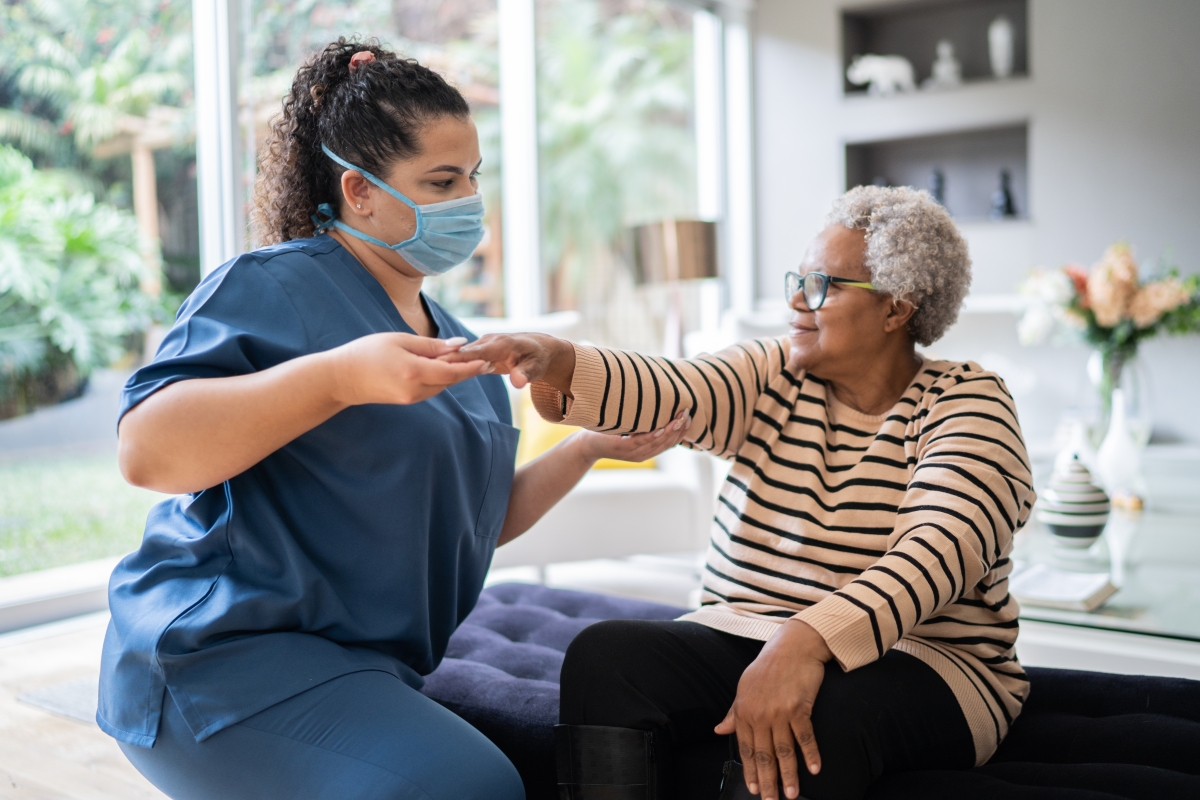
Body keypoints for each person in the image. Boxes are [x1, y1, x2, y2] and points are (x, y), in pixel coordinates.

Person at [99, 39, 689, 800]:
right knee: (474, 784)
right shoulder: (272, 287)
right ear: (360, 190)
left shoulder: (450, 336)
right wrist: (339, 378)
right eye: (441, 181)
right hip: (219, 660)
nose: (467, 201)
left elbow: (467, 522)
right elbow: (148, 452)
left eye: (473, 178)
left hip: (363, 668)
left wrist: (587, 450)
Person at [448, 185, 1035, 800]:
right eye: (797, 279)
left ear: (897, 310)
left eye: (821, 285)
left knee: (824, 717)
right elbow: (674, 389)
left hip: (923, 658)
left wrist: (806, 641)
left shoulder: (968, 401)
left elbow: (942, 550)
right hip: (749, 630)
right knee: (606, 655)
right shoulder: (775, 371)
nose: (793, 301)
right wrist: (555, 360)